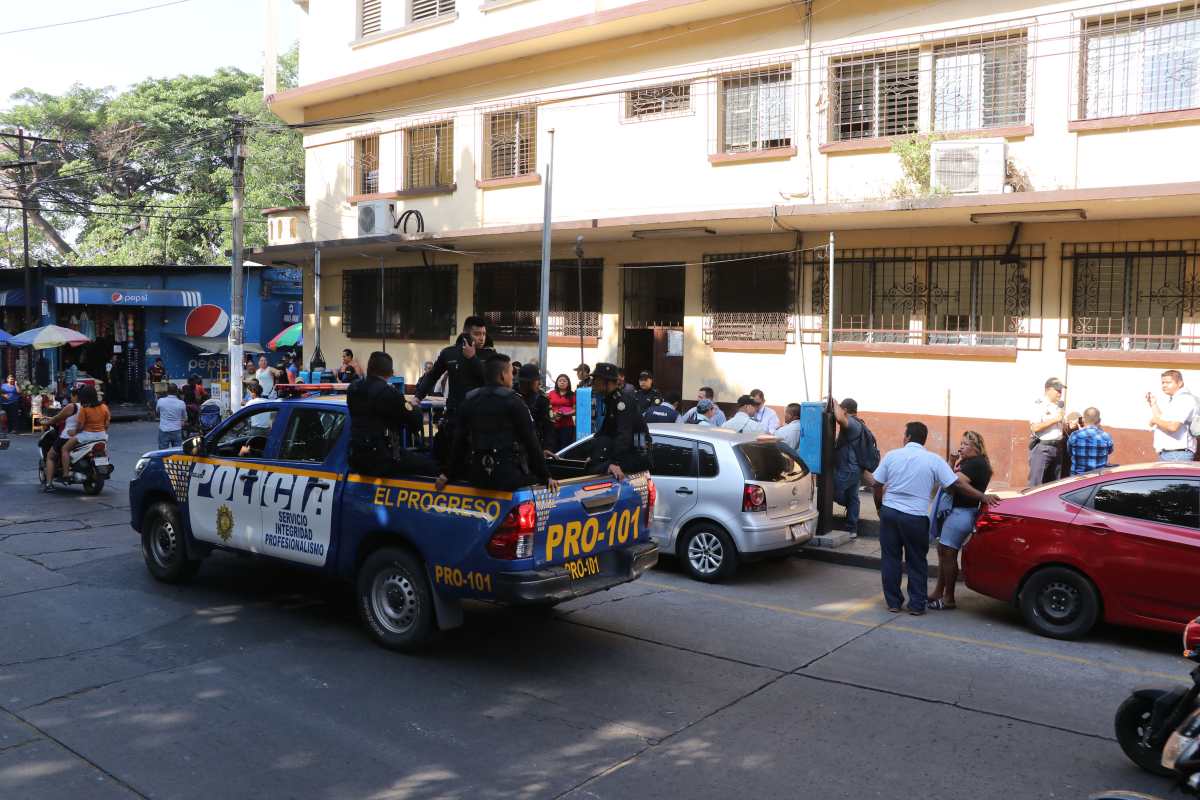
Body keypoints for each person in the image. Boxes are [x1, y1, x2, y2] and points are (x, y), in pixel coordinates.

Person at [868, 422, 999, 615]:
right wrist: (982, 497)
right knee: (916, 561)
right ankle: (916, 605)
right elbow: (955, 484)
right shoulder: (934, 460)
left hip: (890, 512)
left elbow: (876, 484)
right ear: (924, 439)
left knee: (890, 559)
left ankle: (893, 603)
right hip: (915, 517)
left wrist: (880, 507)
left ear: (907, 437)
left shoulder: (892, 456)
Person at [436, 354, 557, 493]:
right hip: (509, 478)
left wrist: (448, 473)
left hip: (478, 476)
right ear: (503, 375)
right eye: (511, 373)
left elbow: (459, 441)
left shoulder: (470, 399)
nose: (512, 377)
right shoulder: (515, 401)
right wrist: (546, 476)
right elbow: (531, 440)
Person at [928, 431, 994, 611]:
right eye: (961, 443)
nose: (961, 447)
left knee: (948, 553)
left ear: (976, 448)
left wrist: (982, 497)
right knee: (943, 551)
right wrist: (951, 463)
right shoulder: (968, 462)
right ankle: (938, 592)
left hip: (961, 513)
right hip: (957, 512)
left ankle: (948, 598)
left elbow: (954, 484)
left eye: (965, 444)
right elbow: (951, 482)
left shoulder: (976, 463)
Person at [416, 315, 495, 462]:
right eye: (477, 334)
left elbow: (491, 381)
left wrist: (473, 359)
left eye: (484, 334)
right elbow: (432, 376)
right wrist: (418, 396)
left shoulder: (490, 355)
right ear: (465, 333)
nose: (482, 338)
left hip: (479, 416)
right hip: (455, 414)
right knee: (451, 456)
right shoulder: (449, 353)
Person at [347, 351, 438, 478]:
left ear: (368, 368)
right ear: (390, 373)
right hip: (382, 458)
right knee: (431, 466)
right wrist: (413, 406)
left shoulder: (353, 388)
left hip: (357, 457)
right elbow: (414, 421)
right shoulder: (388, 392)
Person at [586, 362, 652, 480]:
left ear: (607, 382)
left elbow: (624, 435)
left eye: (596, 380)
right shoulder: (612, 400)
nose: (593, 383)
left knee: (594, 469)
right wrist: (593, 454)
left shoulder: (622, 402)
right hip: (629, 453)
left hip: (636, 455)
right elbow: (604, 431)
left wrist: (615, 462)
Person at [832, 398, 872, 537]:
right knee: (853, 497)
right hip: (855, 469)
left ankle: (830, 524)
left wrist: (834, 403)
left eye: (841, 409)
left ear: (845, 410)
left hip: (847, 469)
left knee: (829, 491)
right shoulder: (859, 423)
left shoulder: (853, 423)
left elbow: (839, 418)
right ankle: (851, 529)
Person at [61, 386, 109, 479]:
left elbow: (80, 426)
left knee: (65, 449)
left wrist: (73, 432)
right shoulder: (104, 407)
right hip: (102, 436)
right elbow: (106, 425)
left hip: (87, 436)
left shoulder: (84, 409)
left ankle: (66, 474)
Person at [1148, 369, 1197, 461]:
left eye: (1168, 382)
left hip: (1177, 454)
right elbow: (1163, 420)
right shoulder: (1176, 400)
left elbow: (1173, 427)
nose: (1164, 385)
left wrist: (1155, 420)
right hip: (1170, 453)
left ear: (1180, 383)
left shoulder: (1185, 400)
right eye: (1163, 383)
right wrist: (1153, 404)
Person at [1029, 377, 1067, 485]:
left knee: (1053, 484)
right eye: (1057, 390)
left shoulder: (1058, 406)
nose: (1060, 393)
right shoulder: (1039, 405)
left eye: (1061, 390)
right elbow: (1035, 427)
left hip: (1057, 447)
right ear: (1048, 389)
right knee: (1036, 483)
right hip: (1043, 448)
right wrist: (1055, 420)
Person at [42, 387, 81, 488]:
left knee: (50, 456)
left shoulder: (72, 406)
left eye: (71, 395)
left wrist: (47, 422)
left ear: (75, 396)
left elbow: (58, 417)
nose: (70, 397)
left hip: (67, 436)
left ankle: (49, 483)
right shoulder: (88, 406)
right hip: (83, 436)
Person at [516, 363, 555, 455]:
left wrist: (547, 447)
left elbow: (549, 426)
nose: (539, 383)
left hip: (535, 446)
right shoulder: (512, 396)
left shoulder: (542, 400)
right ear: (530, 382)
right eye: (537, 381)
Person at [1067, 407, 1114, 475]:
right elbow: (1110, 451)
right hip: (1097, 478)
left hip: (1077, 478)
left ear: (1083, 419)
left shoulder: (1074, 435)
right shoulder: (1106, 436)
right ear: (1099, 420)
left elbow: (1070, 452)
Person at [548, 373, 576, 451]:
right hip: (553, 424)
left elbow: (575, 410)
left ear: (568, 383)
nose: (562, 382)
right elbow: (547, 407)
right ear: (557, 383)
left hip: (567, 426)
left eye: (564, 381)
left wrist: (564, 414)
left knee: (565, 448)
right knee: (553, 447)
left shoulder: (572, 395)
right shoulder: (551, 393)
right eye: (560, 381)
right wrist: (552, 414)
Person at [156, 384, 187, 450]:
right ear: (177, 392)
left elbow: (157, 412)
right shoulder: (181, 403)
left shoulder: (160, 401)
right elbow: (185, 417)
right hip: (176, 430)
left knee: (162, 452)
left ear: (167, 391)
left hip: (164, 429)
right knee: (177, 451)